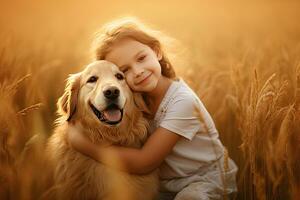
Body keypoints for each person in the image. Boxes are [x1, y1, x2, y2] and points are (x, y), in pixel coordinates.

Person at [68, 17, 238, 200]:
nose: (138, 71)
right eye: (124, 71)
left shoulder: (183, 102)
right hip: (164, 184)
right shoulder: (134, 98)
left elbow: (144, 162)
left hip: (203, 181)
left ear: (156, 51)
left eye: (141, 58)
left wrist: (83, 144)